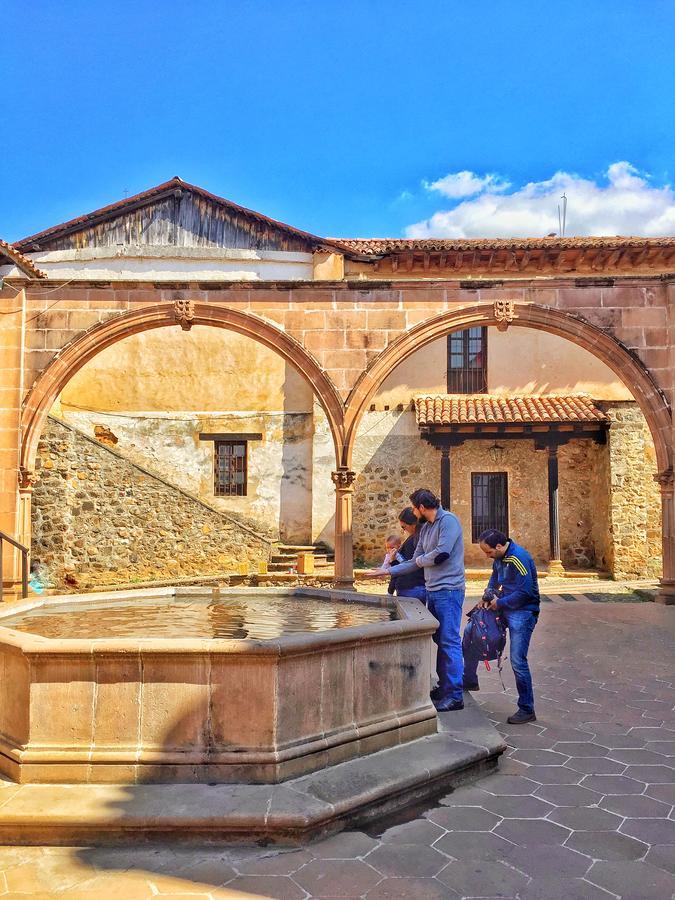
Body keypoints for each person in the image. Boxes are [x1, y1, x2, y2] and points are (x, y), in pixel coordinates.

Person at [372, 489, 465, 712]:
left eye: (414, 507)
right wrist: (387, 572)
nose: (413, 512)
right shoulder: (427, 529)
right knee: (440, 641)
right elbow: (415, 561)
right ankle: (444, 688)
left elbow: (442, 553)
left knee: (449, 641)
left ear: (422, 507)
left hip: (449, 591)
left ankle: (455, 695)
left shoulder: (448, 521)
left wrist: (421, 560)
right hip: (433, 590)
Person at [464, 529, 540, 724]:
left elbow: (526, 593)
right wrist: (487, 596)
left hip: (522, 612)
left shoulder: (519, 558)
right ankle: (469, 679)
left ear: (499, 546)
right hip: (504, 605)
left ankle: (527, 708)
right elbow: (494, 579)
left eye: (488, 552)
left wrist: (500, 603)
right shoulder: (499, 557)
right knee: (471, 631)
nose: (487, 556)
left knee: (517, 660)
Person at [386, 508, 426, 601]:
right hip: (413, 588)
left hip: (412, 588)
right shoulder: (416, 537)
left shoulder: (415, 540)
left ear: (413, 524)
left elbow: (406, 566)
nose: (404, 531)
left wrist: (392, 562)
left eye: (404, 527)